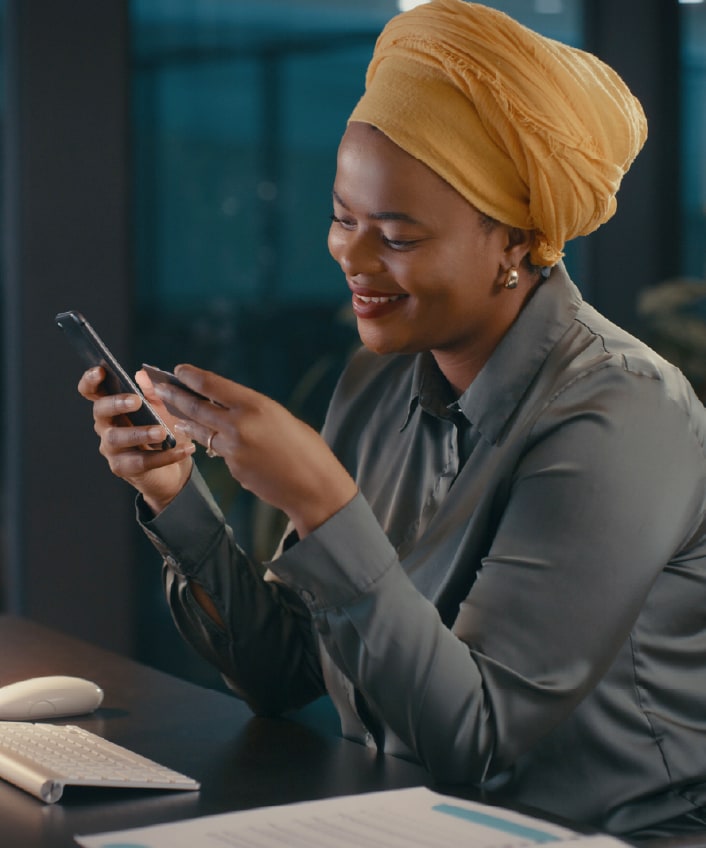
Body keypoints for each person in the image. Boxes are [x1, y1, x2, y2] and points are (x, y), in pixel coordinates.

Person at [78, 0, 706, 838]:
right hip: (413, 822)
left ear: (516, 243)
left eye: (398, 238)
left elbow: (480, 744)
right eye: (344, 218)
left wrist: (323, 504)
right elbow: (286, 669)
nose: (351, 257)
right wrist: (176, 496)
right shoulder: (382, 378)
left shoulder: (623, 414)